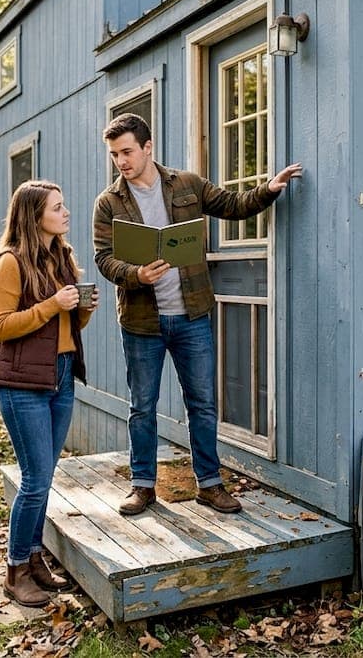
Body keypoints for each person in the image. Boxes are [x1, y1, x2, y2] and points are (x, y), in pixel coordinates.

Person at [93, 113, 303, 516]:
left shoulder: (186, 184)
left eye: (128, 152)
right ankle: (143, 487)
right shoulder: (109, 203)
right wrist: (136, 274)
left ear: (148, 147)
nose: (121, 161)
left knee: (203, 404)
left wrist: (268, 190)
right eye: (115, 154)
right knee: (143, 406)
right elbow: (104, 259)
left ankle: (209, 484)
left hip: (191, 316)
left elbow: (231, 204)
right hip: (142, 322)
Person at [0, 179, 98, 607]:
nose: (66, 212)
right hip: (23, 385)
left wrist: (82, 311)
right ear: (36, 216)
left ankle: (35, 559)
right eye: (58, 207)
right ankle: (15, 570)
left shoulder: (62, 257)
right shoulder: (10, 263)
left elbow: (66, 330)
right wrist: (53, 304)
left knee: (45, 477)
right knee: (34, 479)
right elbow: (0, 327)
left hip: (62, 375)